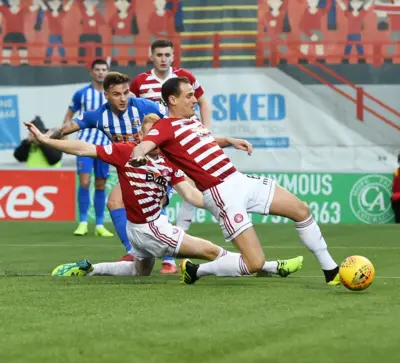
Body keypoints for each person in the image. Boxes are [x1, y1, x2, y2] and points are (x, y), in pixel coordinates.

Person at [25, 116, 303, 279]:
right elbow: (84, 148)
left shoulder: (171, 164)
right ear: (142, 135)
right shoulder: (126, 152)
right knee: (212, 251)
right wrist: (47, 140)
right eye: (149, 132)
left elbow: (192, 195)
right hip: (151, 228)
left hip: (139, 229)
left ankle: (89, 268)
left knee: (140, 272)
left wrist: (226, 204)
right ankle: (269, 267)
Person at [129, 77, 343, 285]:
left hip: (239, 179)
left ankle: (331, 270)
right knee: (255, 263)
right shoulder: (165, 126)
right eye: (189, 96)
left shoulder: (192, 122)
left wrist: (229, 141)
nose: (195, 100)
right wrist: (138, 156)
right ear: (172, 100)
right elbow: (144, 146)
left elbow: (206, 141)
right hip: (221, 194)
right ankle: (196, 270)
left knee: (301, 210)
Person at [42, 71, 180, 273]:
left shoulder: (145, 107)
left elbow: (176, 121)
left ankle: (169, 261)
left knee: (155, 204)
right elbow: (67, 127)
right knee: (114, 202)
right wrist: (43, 135)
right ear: (106, 95)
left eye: (126, 92)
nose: (123, 98)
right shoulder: (99, 115)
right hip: (131, 172)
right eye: (117, 94)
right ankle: (132, 251)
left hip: (161, 166)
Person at [130, 38, 213, 268]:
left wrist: (205, 129)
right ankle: (147, 249)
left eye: (167, 54)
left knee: (191, 186)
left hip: (183, 140)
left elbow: (203, 103)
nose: (163, 59)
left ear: (173, 56)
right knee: (160, 194)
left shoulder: (184, 78)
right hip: (157, 144)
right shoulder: (140, 82)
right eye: (159, 55)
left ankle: (172, 250)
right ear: (152, 56)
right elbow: (132, 110)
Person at [64, 59, 114, 238]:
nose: (101, 72)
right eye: (97, 69)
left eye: (104, 69)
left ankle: (100, 224)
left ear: (108, 72)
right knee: (84, 182)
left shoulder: (113, 94)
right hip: (84, 145)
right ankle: (83, 222)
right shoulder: (81, 94)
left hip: (104, 146)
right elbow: (69, 116)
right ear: (91, 72)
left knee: (100, 185)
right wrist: (65, 137)